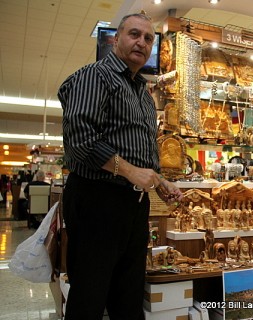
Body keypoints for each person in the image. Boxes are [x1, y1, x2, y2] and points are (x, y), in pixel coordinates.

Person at [58, 13, 183, 320]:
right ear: (116, 39)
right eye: (134, 34)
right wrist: (130, 172)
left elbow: (139, 150)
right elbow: (80, 139)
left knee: (128, 298)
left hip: (133, 206)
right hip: (98, 200)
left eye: (148, 39)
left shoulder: (141, 91)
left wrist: (158, 180)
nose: (141, 42)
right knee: (89, 296)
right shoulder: (95, 76)